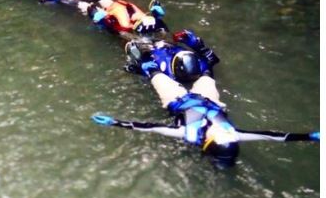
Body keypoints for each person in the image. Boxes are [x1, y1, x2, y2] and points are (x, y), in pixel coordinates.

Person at [92, 76, 319, 168]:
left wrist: (115, 122)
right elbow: (275, 136)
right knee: (206, 77)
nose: (221, 131)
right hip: (208, 101)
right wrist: (310, 137)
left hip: (178, 101)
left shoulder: (186, 134)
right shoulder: (233, 134)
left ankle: (146, 65)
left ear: (208, 141)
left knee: (157, 77)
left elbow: (152, 128)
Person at [125, 29, 222, 101]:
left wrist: (140, 66)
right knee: (161, 31)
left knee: (131, 43)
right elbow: (212, 59)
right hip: (166, 45)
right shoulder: (201, 66)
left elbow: (135, 69)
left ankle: (122, 33)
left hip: (151, 50)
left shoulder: (167, 75)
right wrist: (196, 44)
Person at [79, 0, 168, 37]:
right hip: (148, 22)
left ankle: (87, 4)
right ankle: (88, 4)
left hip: (137, 26)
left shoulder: (114, 10)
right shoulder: (122, 5)